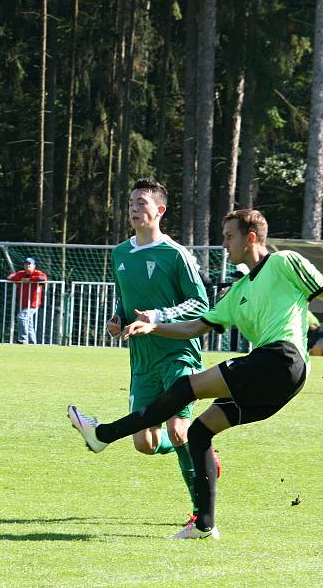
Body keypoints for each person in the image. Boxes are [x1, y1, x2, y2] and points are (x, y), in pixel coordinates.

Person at [68, 208, 323, 540]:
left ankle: (103, 435)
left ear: (251, 238)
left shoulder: (284, 261)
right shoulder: (239, 289)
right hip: (274, 381)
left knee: (186, 388)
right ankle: (204, 524)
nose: (224, 244)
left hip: (281, 359)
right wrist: (155, 326)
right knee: (199, 433)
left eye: (230, 236)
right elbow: (197, 327)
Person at [104, 178, 211, 526]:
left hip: (179, 351)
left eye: (142, 203)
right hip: (142, 359)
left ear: (160, 210)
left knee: (179, 430)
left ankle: (201, 513)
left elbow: (200, 303)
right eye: (132, 202)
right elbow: (126, 299)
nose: (134, 208)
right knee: (145, 443)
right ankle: (201, 454)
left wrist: (158, 316)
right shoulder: (119, 253)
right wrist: (117, 319)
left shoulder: (175, 254)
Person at [7, 257, 47, 344]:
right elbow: (10, 277)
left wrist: (30, 280)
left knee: (21, 317)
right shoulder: (21, 273)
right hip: (23, 303)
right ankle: (33, 342)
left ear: (34, 266)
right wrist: (21, 279)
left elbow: (43, 278)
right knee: (28, 324)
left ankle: (23, 339)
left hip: (33, 304)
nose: (27, 266)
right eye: (26, 264)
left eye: (29, 264)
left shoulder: (38, 273)